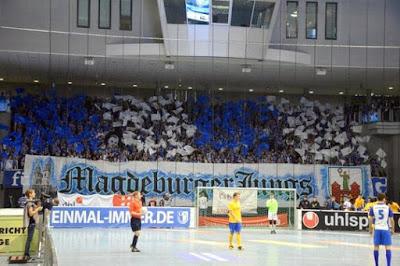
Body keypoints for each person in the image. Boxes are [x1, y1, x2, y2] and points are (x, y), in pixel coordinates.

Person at [368, 193, 394, 266]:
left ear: (377, 199)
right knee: (388, 247)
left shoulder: (373, 207)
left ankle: (376, 264)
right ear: (384, 199)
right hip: (385, 229)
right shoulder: (387, 208)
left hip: (377, 229)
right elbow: (392, 220)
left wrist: (370, 229)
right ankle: (388, 265)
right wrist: (392, 229)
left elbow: (370, 219)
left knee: (376, 247)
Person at [23, 189, 43, 260]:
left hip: (32, 223)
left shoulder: (31, 203)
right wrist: (37, 209)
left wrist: (38, 207)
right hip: (31, 224)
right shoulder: (30, 204)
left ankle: (26, 253)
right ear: (30, 194)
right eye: (34, 192)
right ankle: (26, 254)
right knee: (29, 239)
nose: (35, 194)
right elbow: (31, 214)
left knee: (29, 239)